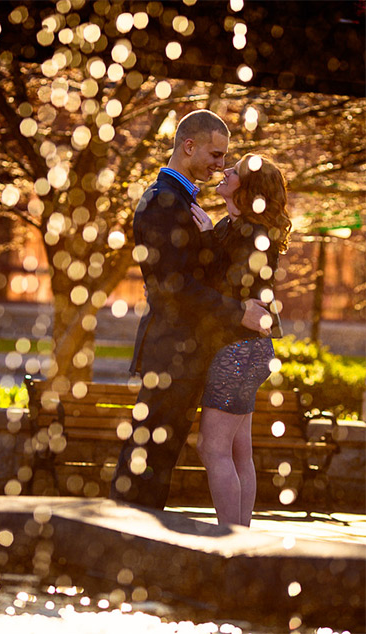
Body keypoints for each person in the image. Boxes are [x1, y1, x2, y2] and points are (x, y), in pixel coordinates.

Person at [110, 110, 272, 510]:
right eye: (216, 155)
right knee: (148, 456)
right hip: (171, 352)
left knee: (156, 455)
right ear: (189, 146)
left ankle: (135, 544)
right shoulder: (165, 201)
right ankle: (123, 543)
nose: (220, 165)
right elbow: (174, 289)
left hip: (182, 353)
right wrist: (238, 313)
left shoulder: (183, 201)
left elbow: (194, 276)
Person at [189, 154, 291, 526]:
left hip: (239, 349)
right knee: (237, 451)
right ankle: (242, 537)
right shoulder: (233, 227)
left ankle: (230, 540)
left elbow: (228, 284)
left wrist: (203, 238)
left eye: (232, 172)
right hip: (250, 348)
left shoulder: (252, 232)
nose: (223, 171)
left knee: (212, 448)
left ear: (246, 189)